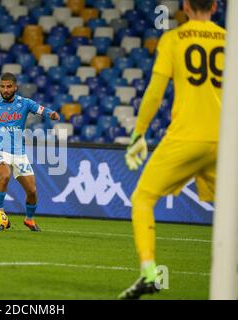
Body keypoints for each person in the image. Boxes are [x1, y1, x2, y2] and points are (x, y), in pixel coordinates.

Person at [119, 0, 225, 299]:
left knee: (143, 198)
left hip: (187, 137)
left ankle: (150, 273)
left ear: (185, 6)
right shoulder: (231, 40)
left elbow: (155, 92)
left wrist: (139, 133)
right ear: (215, 7)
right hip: (225, 142)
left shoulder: (174, 38)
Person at [0, 73, 60, 231]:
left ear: (15, 87)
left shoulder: (25, 103)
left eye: (8, 86)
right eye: (2, 86)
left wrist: (51, 114)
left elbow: (41, 109)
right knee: (5, 175)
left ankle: (29, 219)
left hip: (19, 153)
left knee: (32, 191)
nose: (5, 90)